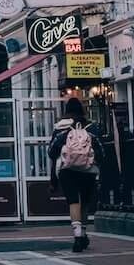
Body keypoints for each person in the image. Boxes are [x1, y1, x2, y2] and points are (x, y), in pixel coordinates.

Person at [50, 94, 101, 253]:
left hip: (67, 169)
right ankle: (84, 233)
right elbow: (101, 148)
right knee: (85, 201)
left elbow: (52, 151)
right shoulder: (91, 127)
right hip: (88, 169)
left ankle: (77, 236)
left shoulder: (60, 127)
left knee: (73, 201)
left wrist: (53, 178)